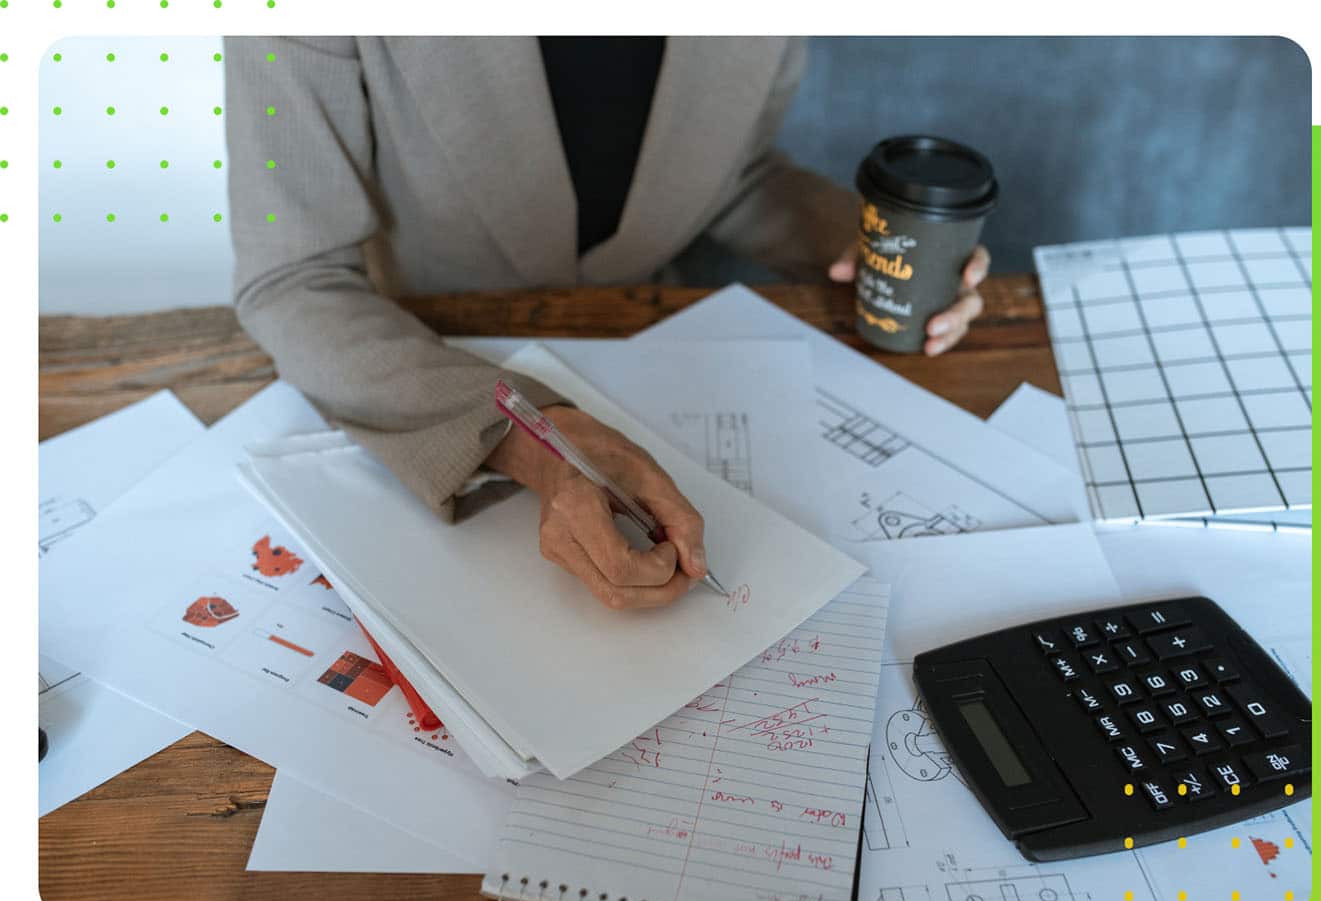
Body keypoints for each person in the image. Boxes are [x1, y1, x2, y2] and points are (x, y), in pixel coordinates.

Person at [225, 36, 989, 610]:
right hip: (420, 366)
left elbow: (731, 175)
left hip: (650, 348)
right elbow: (292, 278)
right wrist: (530, 440)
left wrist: (864, 243)